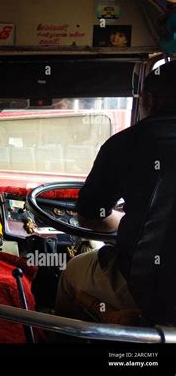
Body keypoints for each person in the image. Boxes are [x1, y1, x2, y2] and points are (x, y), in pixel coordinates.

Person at [55, 60, 176, 323]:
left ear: (149, 100)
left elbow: (90, 217)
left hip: (148, 289)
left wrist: (122, 220)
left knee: (72, 271)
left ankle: (61, 337)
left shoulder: (128, 142)